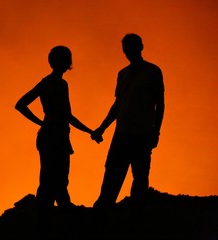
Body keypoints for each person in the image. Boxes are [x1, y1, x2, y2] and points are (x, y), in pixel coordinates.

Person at [91, 33, 165, 210]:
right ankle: (103, 209)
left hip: (142, 134)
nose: (129, 50)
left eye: (132, 46)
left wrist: (156, 131)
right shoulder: (122, 74)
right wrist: (102, 128)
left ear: (140, 47)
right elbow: (118, 105)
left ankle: (136, 213)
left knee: (139, 176)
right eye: (126, 47)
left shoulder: (153, 72)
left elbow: (160, 104)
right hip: (122, 133)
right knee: (112, 173)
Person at [15, 46, 93, 209]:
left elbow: (68, 116)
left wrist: (90, 131)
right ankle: (52, 214)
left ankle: (54, 213)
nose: (65, 63)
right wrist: (42, 123)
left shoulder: (62, 84)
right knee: (50, 179)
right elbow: (20, 104)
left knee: (58, 178)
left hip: (60, 136)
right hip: (51, 137)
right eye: (63, 59)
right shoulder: (48, 83)